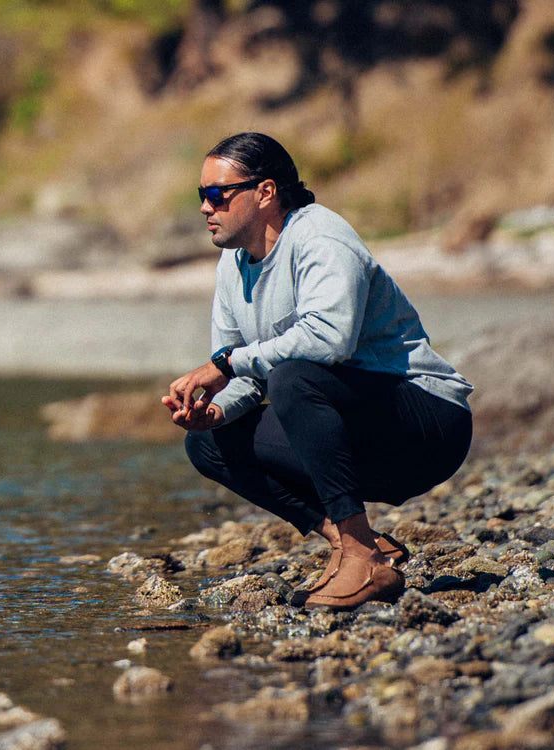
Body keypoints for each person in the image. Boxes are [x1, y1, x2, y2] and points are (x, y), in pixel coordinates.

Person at [162, 132, 473, 610]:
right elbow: (245, 373)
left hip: (428, 423)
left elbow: (328, 340)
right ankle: (354, 542)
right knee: (208, 443)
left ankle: (363, 559)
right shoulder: (231, 265)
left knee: (293, 377)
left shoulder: (321, 237)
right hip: (358, 432)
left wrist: (225, 364)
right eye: (201, 194)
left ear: (265, 192)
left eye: (217, 194)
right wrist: (216, 411)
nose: (206, 207)